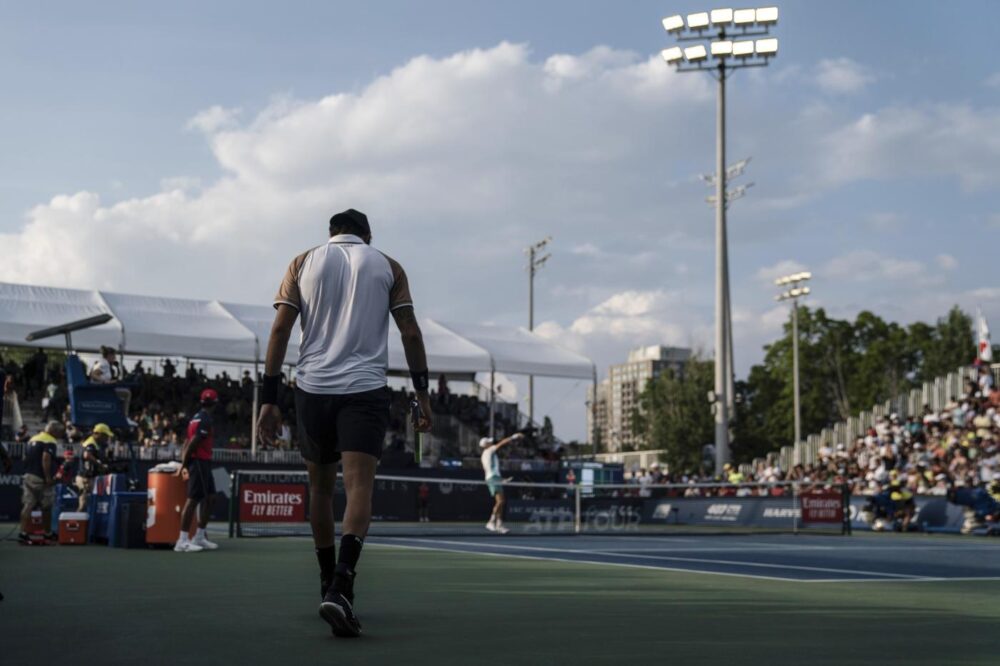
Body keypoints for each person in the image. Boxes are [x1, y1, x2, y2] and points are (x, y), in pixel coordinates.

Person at [257, 208, 433, 638]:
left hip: (312, 388)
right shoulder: (388, 266)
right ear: (367, 236)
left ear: (331, 233)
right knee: (358, 490)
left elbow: (279, 330)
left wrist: (269, 399)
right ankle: (341, 586)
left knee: (320, 490)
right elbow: (410, 332)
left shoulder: (302, 261)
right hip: (364, 389)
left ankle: (326, 582)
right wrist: (423, 395)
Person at [173, 388, 220, 553]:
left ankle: (199, 536)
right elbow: (193, 442)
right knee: (193, 500)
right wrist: (184, 465)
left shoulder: (196, 418)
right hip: (198, 461)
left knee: (211, 498)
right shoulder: (204, 419)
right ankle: (182, 541)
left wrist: (184, 461)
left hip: (203, 461)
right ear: (215, 404)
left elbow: (187, 442)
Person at [20, 421, 65, 543]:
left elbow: (25, 457)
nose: (61, 435)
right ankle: (47, 533)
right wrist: (48, 477)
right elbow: (46, 458)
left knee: (28, 505)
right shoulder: (50, 440)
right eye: (60, 432)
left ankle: (23, 533)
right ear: (54, 431)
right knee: (47, 507)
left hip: (28, 476)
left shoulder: (33, 438)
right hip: (41, 479)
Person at [479, 432, 525, 534]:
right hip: (493, 478)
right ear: (485, 445)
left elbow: (490, 470)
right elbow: (502, 443)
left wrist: (501, 479)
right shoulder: (489, 450)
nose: (491, 443)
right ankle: (491, 521)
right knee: (500, 501)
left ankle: (499, 525)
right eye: (489, 442)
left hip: (494, 478)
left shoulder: (485, 455)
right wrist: (514, 437)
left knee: (501, 502)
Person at [76, 423, 113, 512]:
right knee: (84, 504)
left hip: (90, 477)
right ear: (98, 434)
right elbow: (87, 455)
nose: (106, 438)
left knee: (89, 503)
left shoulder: (95, 444)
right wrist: (100, 465)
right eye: (105, 436)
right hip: (86, 478)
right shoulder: (90, 444)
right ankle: (78, 519)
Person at [89, 346, 131, 420]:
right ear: (109, 355)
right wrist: (105, 382)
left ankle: (121, 415)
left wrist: (112, 381)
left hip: (103, 388)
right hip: (102, 390)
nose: (115, 358)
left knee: (122, 393)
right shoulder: (104, 364)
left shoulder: (103, 363)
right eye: (114, 356)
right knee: (127, 393)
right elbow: (93, 375)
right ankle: (125, 417)